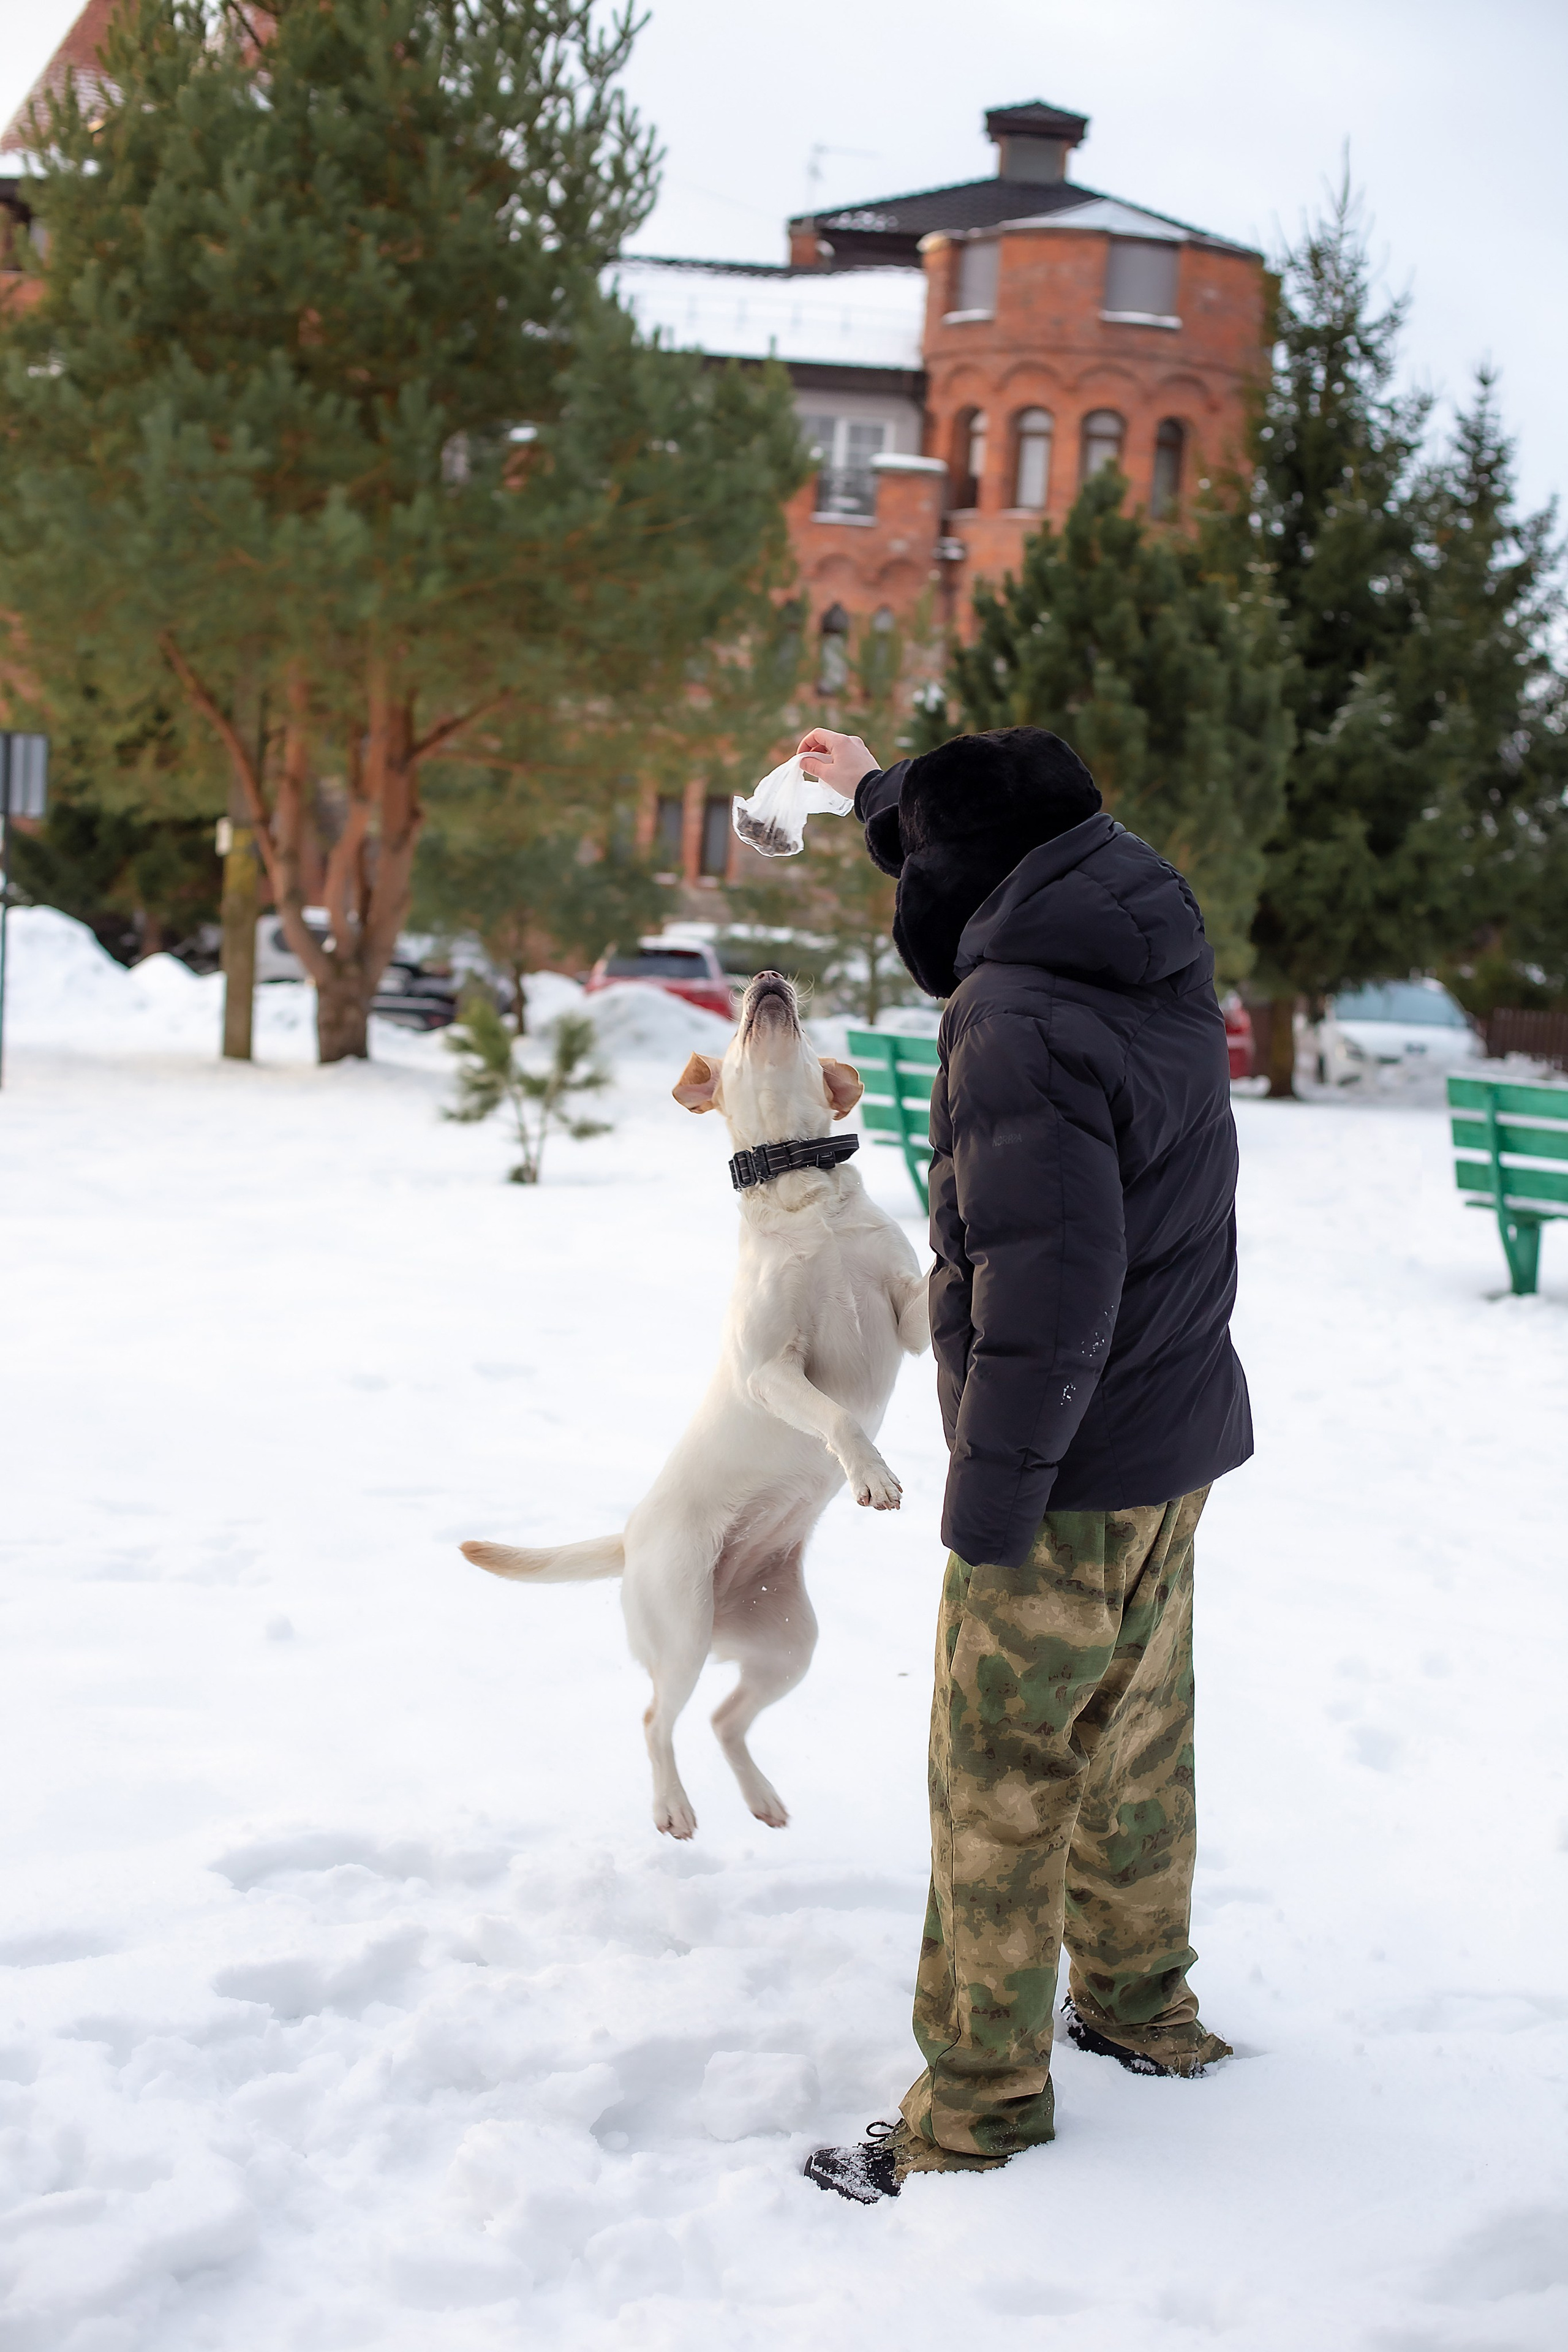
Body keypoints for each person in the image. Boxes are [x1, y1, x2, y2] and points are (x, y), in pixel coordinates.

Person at [793, 724, 1253, 2204]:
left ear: (962, 882)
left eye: (911, 858)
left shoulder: (1010, 1016)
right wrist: (872, 789)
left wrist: (992, 1494)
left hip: (1063, 1454)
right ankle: (1140, 2008)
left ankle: (974, 2112)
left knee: (999, 1774)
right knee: (1134, 1742)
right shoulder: (1130, 937)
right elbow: (977, 836)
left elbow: (1048, 1288)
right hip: (1168, 1435)